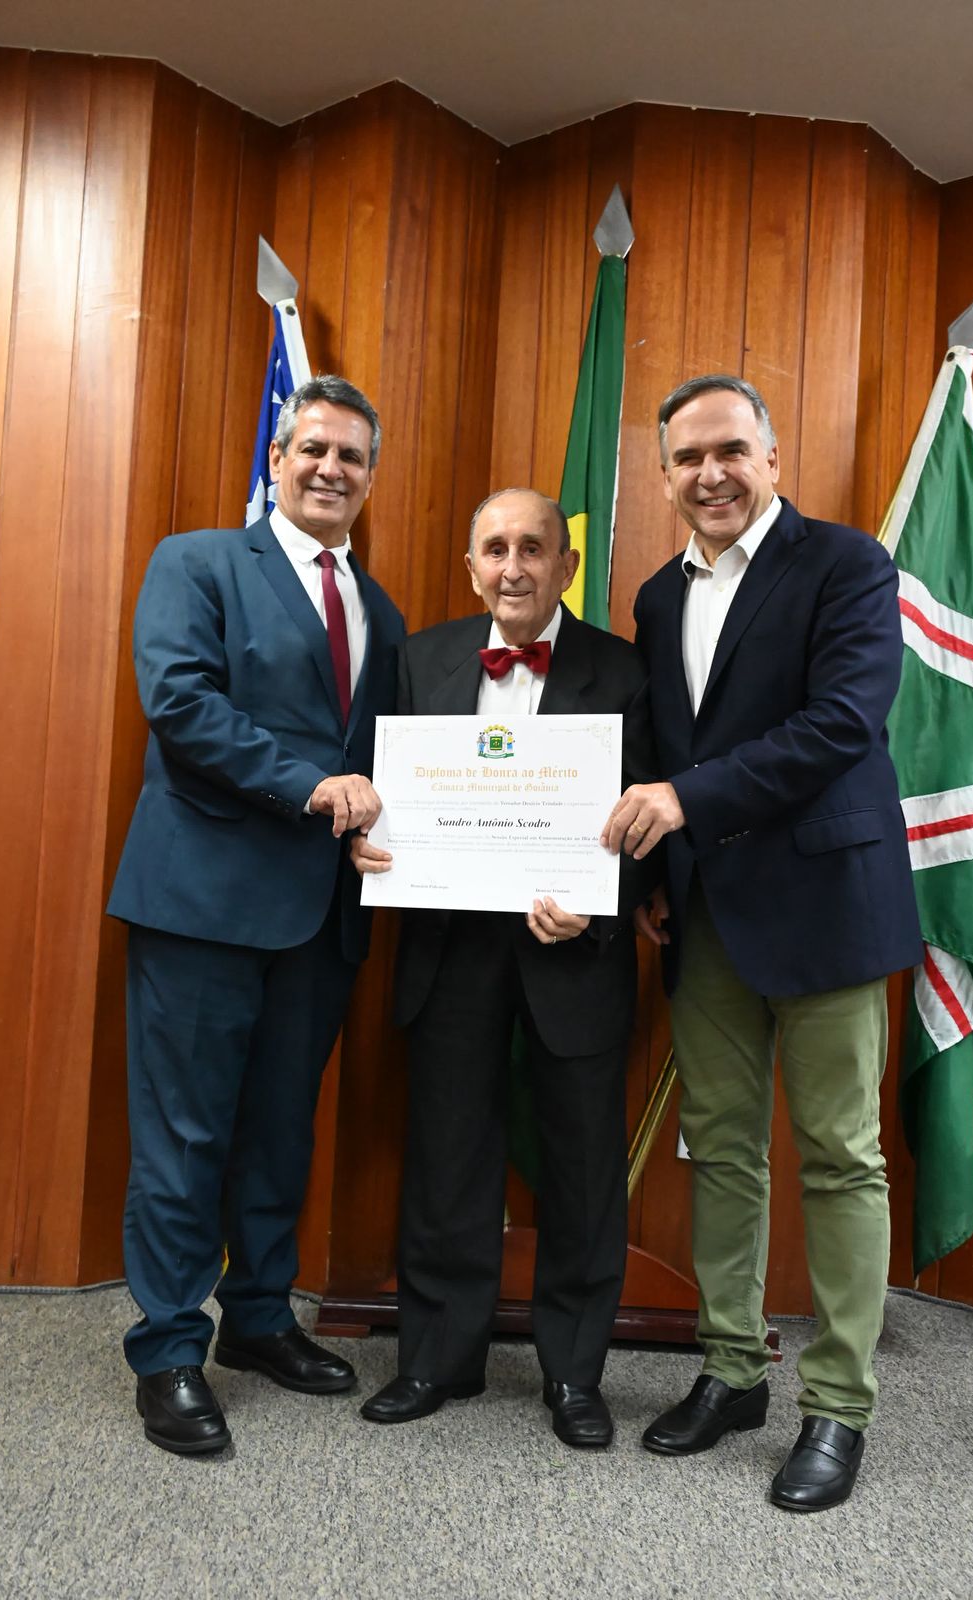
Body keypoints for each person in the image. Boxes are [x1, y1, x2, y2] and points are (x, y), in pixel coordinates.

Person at [603, 374, 922, 1510]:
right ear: (663, 476)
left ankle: (837, 1404)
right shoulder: (655, 596)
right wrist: (651, 873)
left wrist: (684, 803)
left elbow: (841, 724)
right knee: (723, 1151)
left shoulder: (845, 565)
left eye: (730, 449)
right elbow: (660, 745)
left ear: (772, 459)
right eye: (687, 457)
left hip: (827, 906)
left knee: (839, 1157)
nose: (711, 474)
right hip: (705, 915)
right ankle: (732, 1369)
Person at [108, 375, 405, 1454]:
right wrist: (312, 788)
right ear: (277, 460)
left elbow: (377, 762)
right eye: (312, 448)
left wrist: (384, 821)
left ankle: (261, 1318)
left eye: (352, 457)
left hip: (320, 917)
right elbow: (180, 703)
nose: (331, 468)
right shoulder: (196, 562)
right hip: (203, 903)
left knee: (281, 1129)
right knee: (186, 1134)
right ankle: (168, 1349)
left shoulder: (379, 609)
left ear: (369, 478)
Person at [352, 488, 656, 1448]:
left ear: (566, 565)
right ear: (472, 566)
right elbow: (384, 791)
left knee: (583, 1166)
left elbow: (652, 820)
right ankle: (436, 1358)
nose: (514, 567)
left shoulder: (626, 670)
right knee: (448, 1155)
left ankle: (574, 1372)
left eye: (533, 548)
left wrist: (603, 899)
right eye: (495, 549)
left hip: (574, 951)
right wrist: (369, 842)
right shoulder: (421, 658)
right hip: (449, 948)